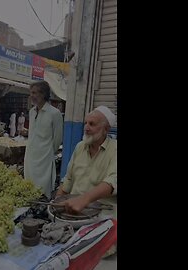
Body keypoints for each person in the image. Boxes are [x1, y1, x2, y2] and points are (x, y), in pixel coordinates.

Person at [55, 106, 117, 257]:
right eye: (86, 123)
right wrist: (55, 203)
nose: (86, 128)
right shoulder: (79, 147)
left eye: (92, 124)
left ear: (106, 129)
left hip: (103, 217)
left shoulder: (114, 150)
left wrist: (83, 199)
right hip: (73, 216)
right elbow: (67, 181)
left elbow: (112, 181)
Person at [24, 81, 63, 199]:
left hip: (44, 158)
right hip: (30, 156)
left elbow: (57, 139)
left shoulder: (54, 114)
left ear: (44, 94)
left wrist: (47, 151)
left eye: (35, 93)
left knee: (42, 190)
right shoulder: (31, 112)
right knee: (29, 187)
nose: (32, 95)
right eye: (31, 93)